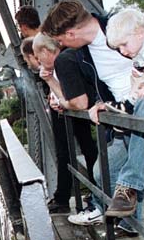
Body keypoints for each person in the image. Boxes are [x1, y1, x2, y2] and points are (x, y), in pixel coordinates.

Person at [41, 0, 144, 222]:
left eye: (60, 41)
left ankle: (129, 186)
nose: (61, 47)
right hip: (129, 117)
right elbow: (104, 88)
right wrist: (101, 104)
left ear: (70, 34)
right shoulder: (83, 55)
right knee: (108, 173)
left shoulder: (124, 26)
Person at [33, 33, 98, 214]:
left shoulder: (64, 60)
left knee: (79, 151)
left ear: (46, 51)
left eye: (38, 56)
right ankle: (93, 194)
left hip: (80, 113)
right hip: (73, 113)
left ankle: (92, 196)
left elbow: (73, 98)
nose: (37, 61)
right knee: (85, 149)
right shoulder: (63, 61)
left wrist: (61, 101)